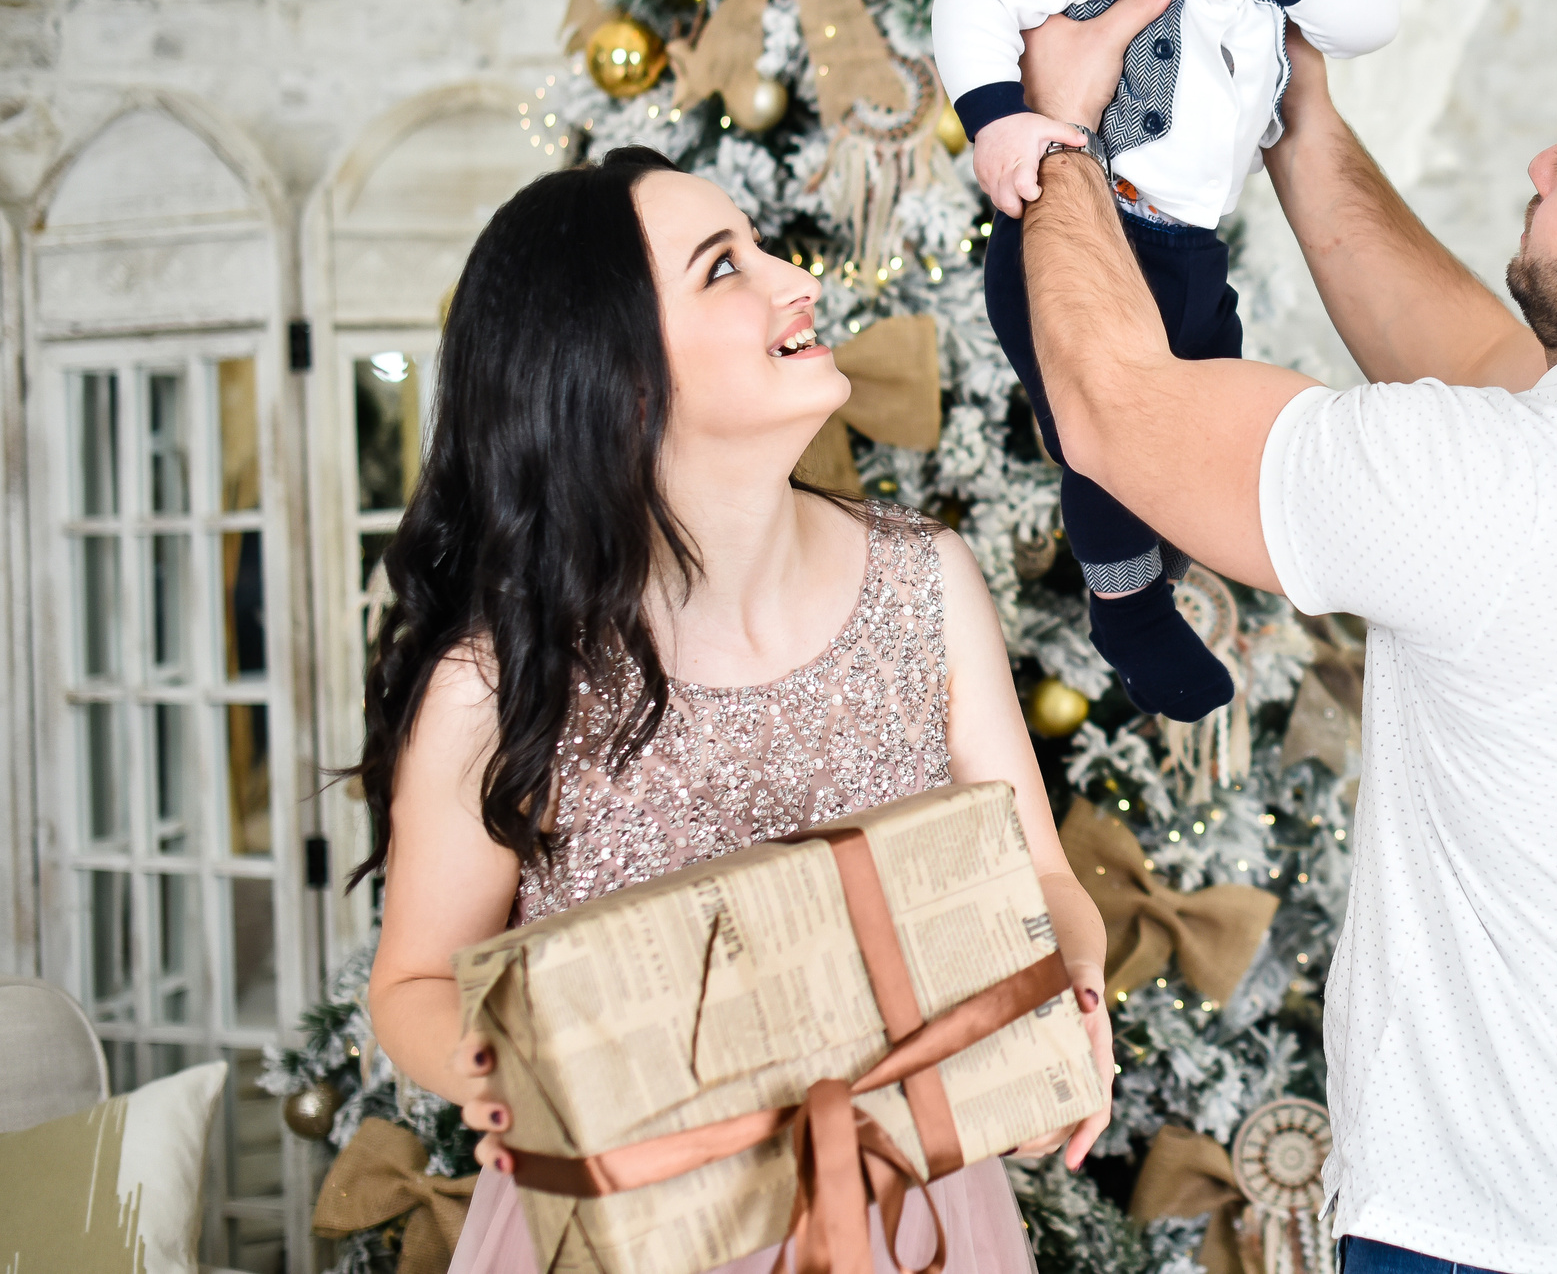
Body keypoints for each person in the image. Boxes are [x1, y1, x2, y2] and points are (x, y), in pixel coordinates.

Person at [1006, 0, 1557, 1274]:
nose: (1537, 164)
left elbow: (1112, 410)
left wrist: (1058, 128)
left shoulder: (1511, 498)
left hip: (1482, 1242)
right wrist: (1299, 121)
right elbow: (1480, 353)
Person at [354, 146, 1112, 1274]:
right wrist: (524, 1071)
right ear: (615, 373)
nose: (793, 278)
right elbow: (412, 982)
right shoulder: (501, 680)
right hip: (639, 1225)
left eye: (759, 246)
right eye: (723, 268)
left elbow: (1041, 877)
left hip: (910, 1206)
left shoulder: (927, 584)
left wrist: (1075, 991)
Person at [932, 0, 1400, 722]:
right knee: (1112, 426)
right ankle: (1126, 606)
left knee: (1208, 399)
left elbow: (1372, 13)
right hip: (1084, 236)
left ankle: (1168, 561)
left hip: (1192, 246)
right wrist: (1000, 116)